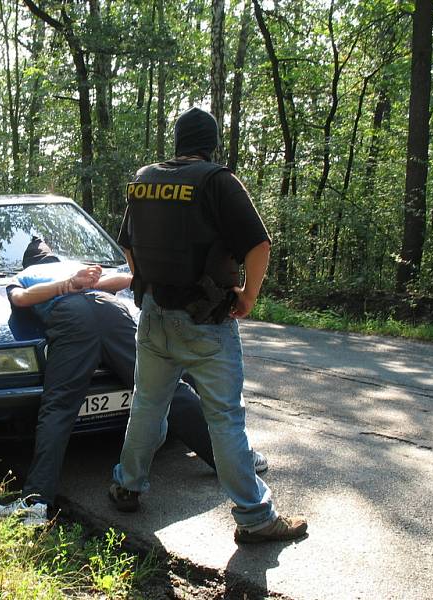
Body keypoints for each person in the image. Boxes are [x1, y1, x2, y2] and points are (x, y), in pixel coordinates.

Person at [109, 107, 307, 544]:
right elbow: (258, 244)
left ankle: (127, 484)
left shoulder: (146, 180)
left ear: (178, 140)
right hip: (206, 322)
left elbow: (129, 247)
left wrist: (149, 285)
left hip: (154, 316)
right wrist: (249, 296)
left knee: (146, 405)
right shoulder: (218, 181)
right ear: (211, 142)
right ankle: (255, 517)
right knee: (225, 418)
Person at [0, 237, 268, 526]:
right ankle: (239, 463)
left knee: (58, 409)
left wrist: (65, 288)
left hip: (71, 322)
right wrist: (83, 281)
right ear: (53, 259)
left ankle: (36, 503)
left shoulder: (22, 276)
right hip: (113, 313)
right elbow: (126, 280)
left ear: (30, 263)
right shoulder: (75, 268)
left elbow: (21, 299)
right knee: (167, 391)